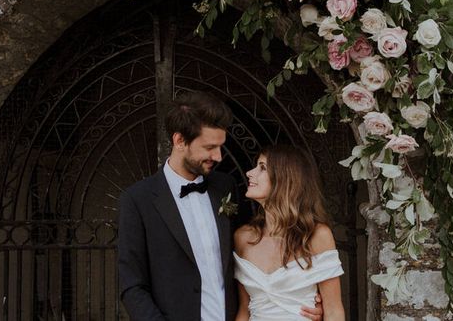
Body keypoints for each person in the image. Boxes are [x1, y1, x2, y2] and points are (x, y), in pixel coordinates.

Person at [117, 92, 324, 321]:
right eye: (209, 147)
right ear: (179, 141)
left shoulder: (226, 187)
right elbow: (132, 286)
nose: (218, 156)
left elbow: (256, 253)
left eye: (220, 146)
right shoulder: (137, 200)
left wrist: (297, 299)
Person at [234, 145, 345, 321]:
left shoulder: (317, 236)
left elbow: (333, 311)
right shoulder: (243, 238)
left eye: (262, 167)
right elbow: (244, 311)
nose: (249, 173)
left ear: (286, 179)